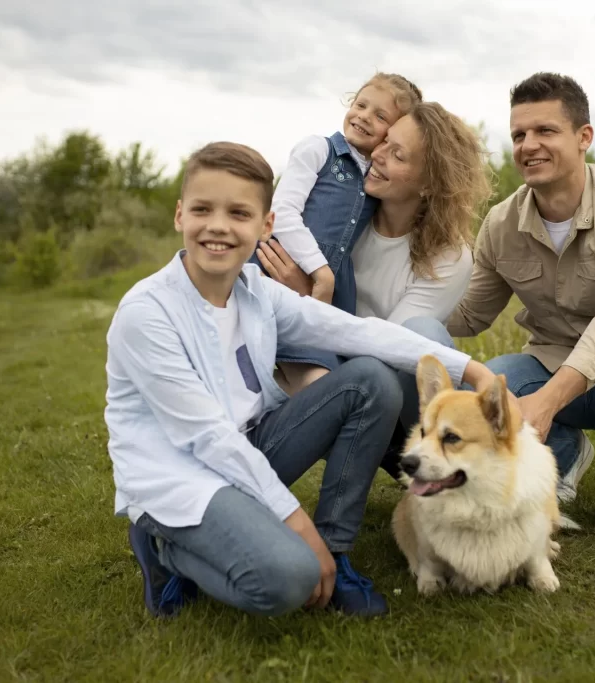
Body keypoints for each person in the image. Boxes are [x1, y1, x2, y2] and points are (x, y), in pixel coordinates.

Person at [104, 141, 499, 620]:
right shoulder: (147, 314)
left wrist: (468, 369)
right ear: (179, 214)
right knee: (287, 580)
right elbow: (205, 439)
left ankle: (336, 552)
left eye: (239, 212)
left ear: (266, 225)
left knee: (371, 380)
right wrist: (296, 523)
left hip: (250, 445)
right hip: (182, 471)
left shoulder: (256, 292)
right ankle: (163, 544)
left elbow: (356, 332)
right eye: (203, 209)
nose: (219, 227)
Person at [443, 72, 595, 542]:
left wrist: (548, 401)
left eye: (545, 131)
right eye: (519, 134)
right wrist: (389, 298)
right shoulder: (501, 223)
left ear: (584, 138)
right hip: (548, 370)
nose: (528, 145)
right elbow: (468, 315)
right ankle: (563, 452)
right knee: (492, 378)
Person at [256, 100, 492, 478]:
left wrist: (309, 298)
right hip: (315, 364)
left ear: (429, 183)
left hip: (389, 395)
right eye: (384, 142)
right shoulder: (345, 219)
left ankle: (431, 461)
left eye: (396, 154)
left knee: (425, 335)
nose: (376, 155)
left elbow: (389, 352)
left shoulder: (449, 256)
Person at [256, 72, 423, 395]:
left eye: (380, 116)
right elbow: (283, 213)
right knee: (307, 379)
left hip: (333, 297)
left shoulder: (375, 179)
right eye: (360, 104)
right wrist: (321, 273)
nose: (363, 116)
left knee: (322, 381)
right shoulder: (318, 149)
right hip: (280, 269)